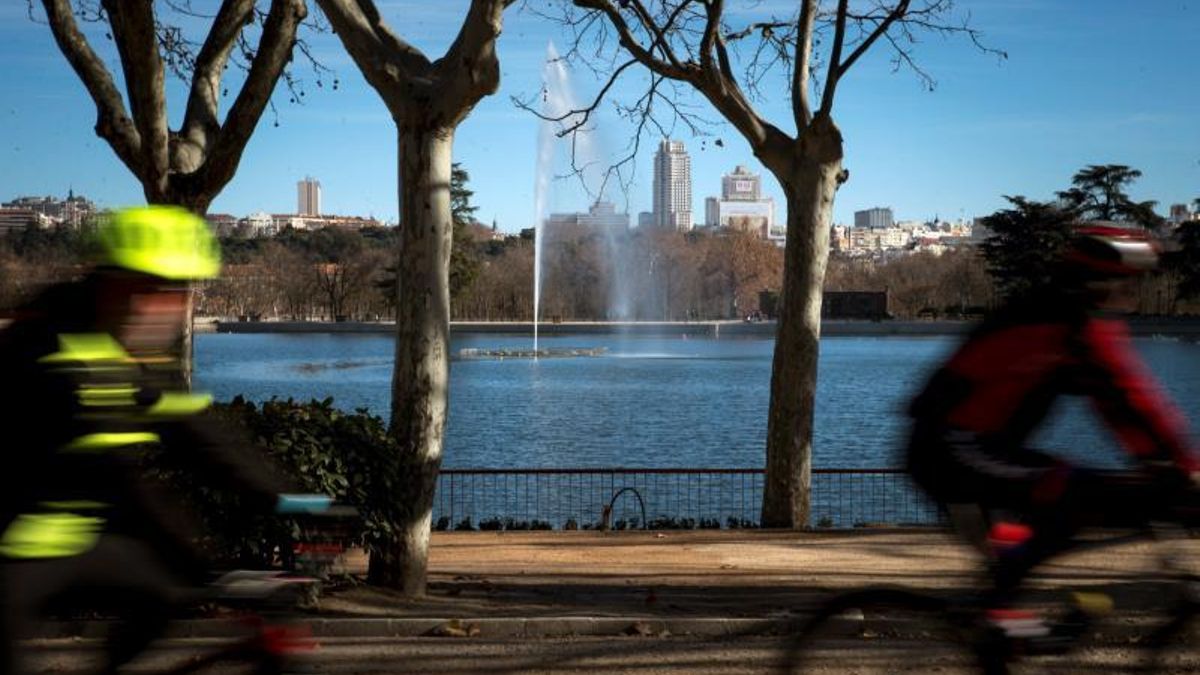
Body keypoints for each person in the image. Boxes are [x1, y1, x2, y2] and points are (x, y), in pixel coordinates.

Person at [0, 205, 321, 674]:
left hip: (79, 536)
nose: (163, 308)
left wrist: (294, 500)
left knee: (165, 596)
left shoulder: (129, 354)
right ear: (108, 283)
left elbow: (203, 441)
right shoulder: (48, 354)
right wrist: (209, 568)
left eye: (178, 292)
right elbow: (122, 484)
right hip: (12, 541)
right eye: (147, 289)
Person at [905, 223, 1200, 623]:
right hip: (953, 448)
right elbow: (1128, 398)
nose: (1134, 292)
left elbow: (1118, 406)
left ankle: (1002, 620)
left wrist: (1158, 461)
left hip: (965, 445)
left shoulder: (1055, 313)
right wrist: (1182, 465)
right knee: (1069, 491)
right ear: (1100, 281)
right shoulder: (1070, 325)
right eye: (1128, 282)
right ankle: (992, 617)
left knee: (1050, 521)